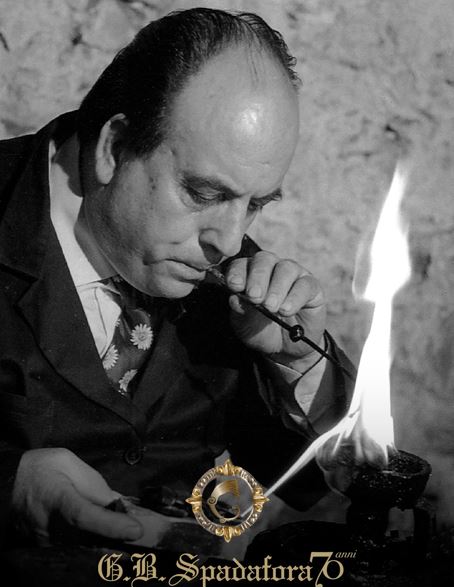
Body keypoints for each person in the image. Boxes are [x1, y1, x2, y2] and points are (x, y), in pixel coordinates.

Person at [0, 8, 353, 550]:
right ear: (114, 147)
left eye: (255, 205)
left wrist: (295, 365)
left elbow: (315, 483)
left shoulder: (227, 274)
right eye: (204, 194)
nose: (230, 241)